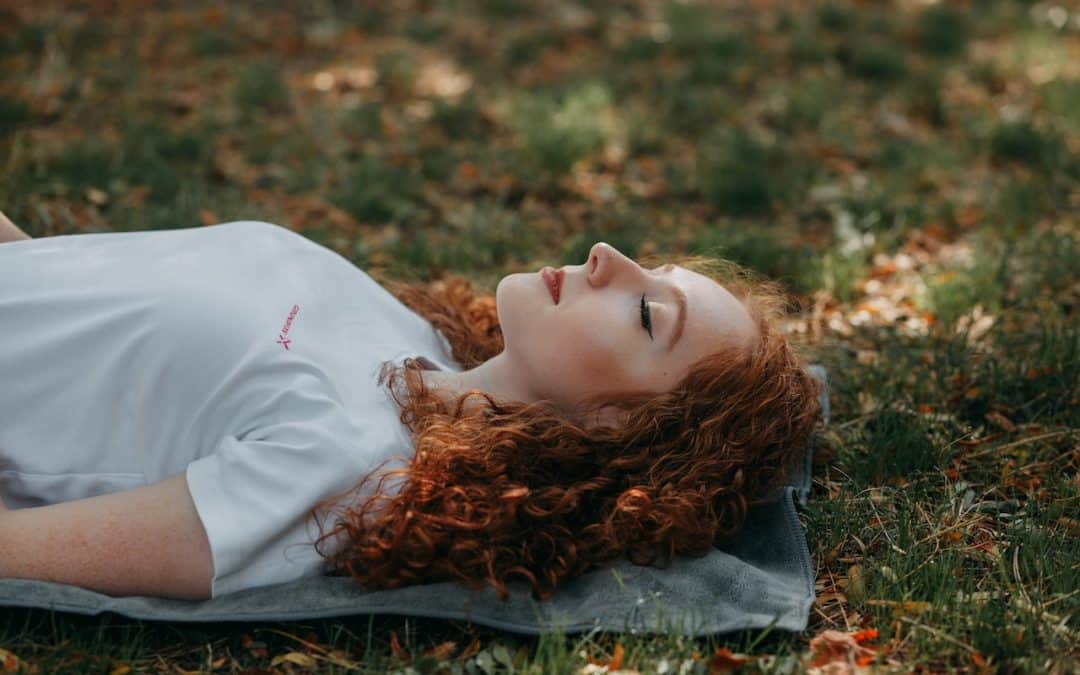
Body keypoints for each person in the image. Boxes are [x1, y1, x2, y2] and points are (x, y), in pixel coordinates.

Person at [0, 210, 821, 601]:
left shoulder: (351, 467)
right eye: (655, 267)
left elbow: (26, 545)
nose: (611, 257)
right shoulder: (408, 334)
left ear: (621, 429)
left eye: (648, 314)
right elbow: (77, 305)